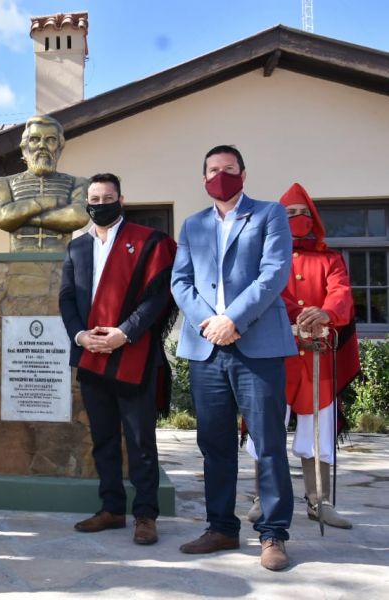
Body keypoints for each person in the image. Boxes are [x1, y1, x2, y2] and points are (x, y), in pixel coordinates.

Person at [171, 145, 296, 571]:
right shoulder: (193, 225)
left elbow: (274, 272)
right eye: (212, 170)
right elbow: (180, 282)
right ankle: (221, 527)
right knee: (214, 444)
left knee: (268, 443)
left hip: (256, 343)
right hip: (206, 347)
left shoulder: (269, 214)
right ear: (202, 177)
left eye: (228, 169)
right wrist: (210, 322)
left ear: (243, 173)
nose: (220, 175)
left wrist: (234, 319)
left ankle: (274, 533)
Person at [59, 173, 177, 546]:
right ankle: (111, 508)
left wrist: (123, 333)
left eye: (107, 197)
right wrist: (80, 336)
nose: (100, 203)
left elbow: (158, 297)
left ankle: (145, 514)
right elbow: (66, 298)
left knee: (141, 440)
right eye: (94, 197)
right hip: (92, 356)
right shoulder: (77, 247)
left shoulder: (148, 242)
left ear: (120, 199)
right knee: (104, 438)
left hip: (134, 355)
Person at [245, 182, 359, 529]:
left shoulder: (331, 259)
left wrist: (326, 313)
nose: (296, 220)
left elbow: (341, 294)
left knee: (319, 431)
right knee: (266, 428)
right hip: (275, 356)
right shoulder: (266, 257)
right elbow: (265, 293)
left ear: (314, 218)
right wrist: (300, 312)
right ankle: (262, 497)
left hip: (317, 359)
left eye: (302, 214)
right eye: (289, 214)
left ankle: (319, 500)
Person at [0, 115, 89, 252]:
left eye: (50, 140)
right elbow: (2, 217)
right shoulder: (3, 183)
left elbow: (79, 216)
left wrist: (22, 216)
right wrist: (48, 202)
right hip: (20, 263)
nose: (42, 146)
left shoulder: (77, 183)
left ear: (59, 147)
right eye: (35, 139)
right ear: (24, 148)